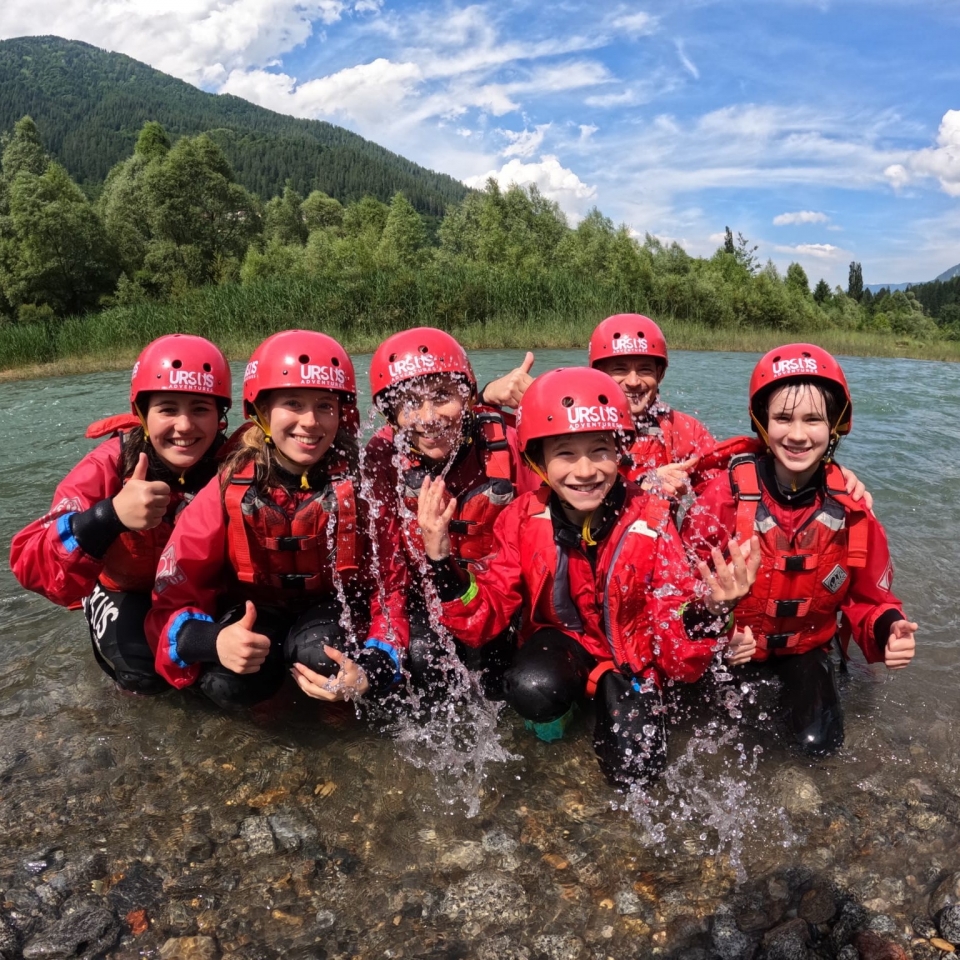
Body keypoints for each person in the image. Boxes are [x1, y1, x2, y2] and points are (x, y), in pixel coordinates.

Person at [417, 366, 761, 788]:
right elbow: (483, 615)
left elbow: (676, 647)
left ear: (619, 454)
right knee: (531, 688)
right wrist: (440, 560)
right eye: (565, 453)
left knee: (636, 771)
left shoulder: (653, 521)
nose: (585, 471)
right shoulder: (522, 518)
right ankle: (564, 706)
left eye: (600, 450)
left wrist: (713, 609)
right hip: (563, 644)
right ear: (537, 461)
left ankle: (605, 695)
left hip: (630, 659)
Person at [145, 330, 404, 711]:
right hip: (257, 610)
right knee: (225, 682)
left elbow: (391, 587)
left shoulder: (360, 485)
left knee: (325, 661)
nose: (310, 422)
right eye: (293, 403)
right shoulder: (228, 488)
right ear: (262, 413)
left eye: (324, 406)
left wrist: (373, 665)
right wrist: (213, 641)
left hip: (329, 611)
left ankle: (332, 713)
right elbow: (173, 594)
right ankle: (272, 712)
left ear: (341, 414)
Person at [681, 344, 917, 756]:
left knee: (818, 745)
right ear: (761, 421)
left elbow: (868, 596)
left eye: (813, 419)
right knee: (706, 740)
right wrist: (716, 620)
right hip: (731, 650)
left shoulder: (852, 510)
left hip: (805, 649)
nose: (797, 434)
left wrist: (888, 627)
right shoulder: (723, 495)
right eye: (783, 418)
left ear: (836, 425)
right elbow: (676, 592)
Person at [9, 334, 232, 694]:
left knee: (225, 680)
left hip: (197, 590)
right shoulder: (106, 465)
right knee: (142, 674)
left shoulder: (235, 464)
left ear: (221, 417)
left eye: (200, 409)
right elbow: (31, 565)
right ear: (142, 415)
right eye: (168, 409)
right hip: (128, 591)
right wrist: (108, 516)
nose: (186, 426)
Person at [364, 327, 541, 698]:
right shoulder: (383, 459)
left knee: (526, 686)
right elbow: (389, 574)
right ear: (391, 415)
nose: (429, 418)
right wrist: (383, 650)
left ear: (469, 397)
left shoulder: (509, 441)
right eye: (410, 402)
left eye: (443, 396)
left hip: (500, 602)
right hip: (434, 598)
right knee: (425, 663)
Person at [588, 313, 715, 498]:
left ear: (659, 374)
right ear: (599, 374)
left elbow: (720, 487)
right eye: (620, 369)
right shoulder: (575, 427)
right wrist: (646, 485)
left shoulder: (685, 430)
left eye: (644, 369)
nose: (633, 381)